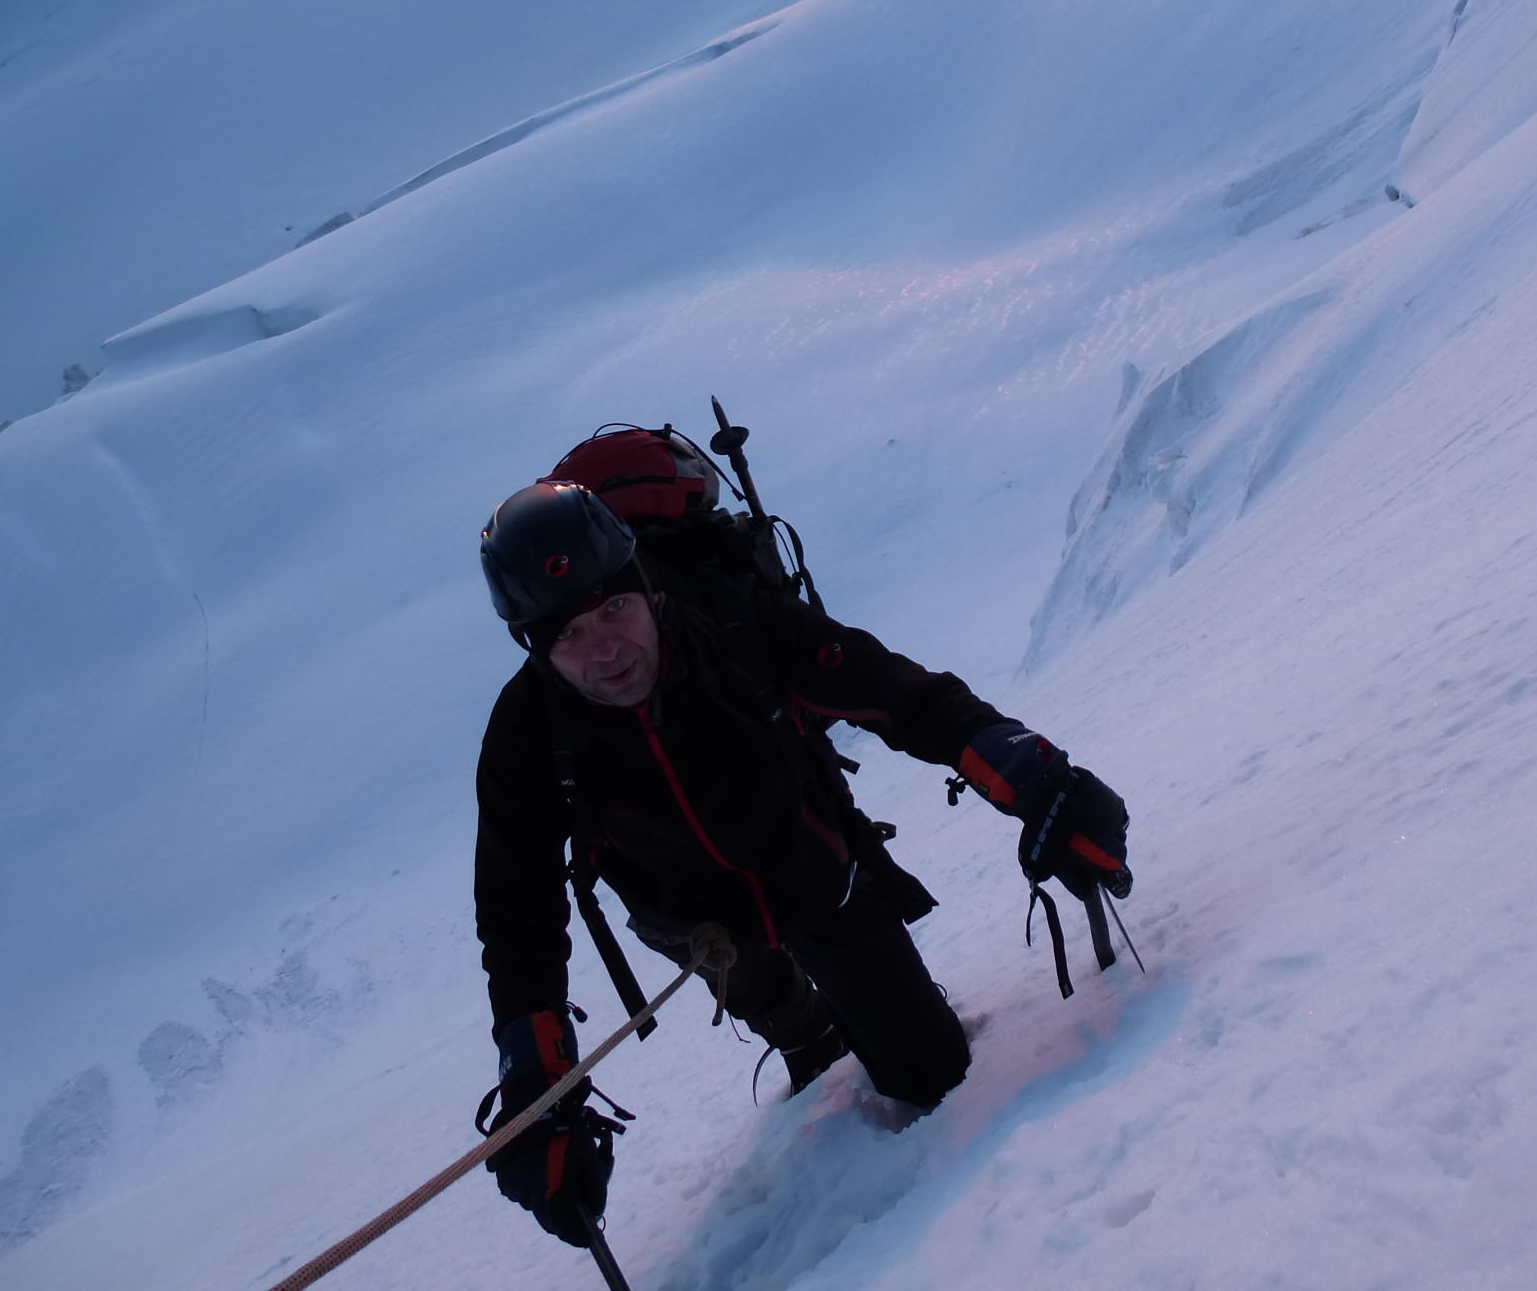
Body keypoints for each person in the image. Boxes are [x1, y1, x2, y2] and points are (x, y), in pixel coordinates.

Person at [471, 472, 1133, 1250]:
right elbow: (517, 914)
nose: (605, 649)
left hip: (812, 879)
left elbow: (901, 696)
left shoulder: (737, 623)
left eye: (613, 608)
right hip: (692, 919)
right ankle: (802, 1030)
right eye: (569, 635)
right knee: (769, 998)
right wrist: (536, 1091)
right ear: (535, 647)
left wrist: (1037, 778)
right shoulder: (526, 737)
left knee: (933, 1076)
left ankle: (835, 1022)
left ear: (645, 588)